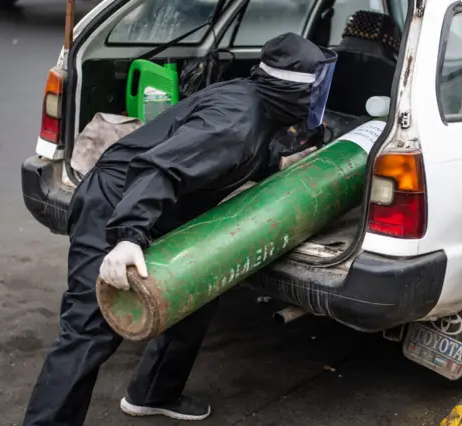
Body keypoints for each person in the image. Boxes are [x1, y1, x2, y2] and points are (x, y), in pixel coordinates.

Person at [23, 32, 337, 425]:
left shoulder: (257, 105)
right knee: (89, 333)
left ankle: (154, 392)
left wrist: (284, 159)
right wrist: (126, 237)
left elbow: (242, 155)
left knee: (195, 295)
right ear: (293, 94)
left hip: (164, 207)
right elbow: (160, 169)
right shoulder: (233, 124)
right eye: (316, 90)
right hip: (118, 204)